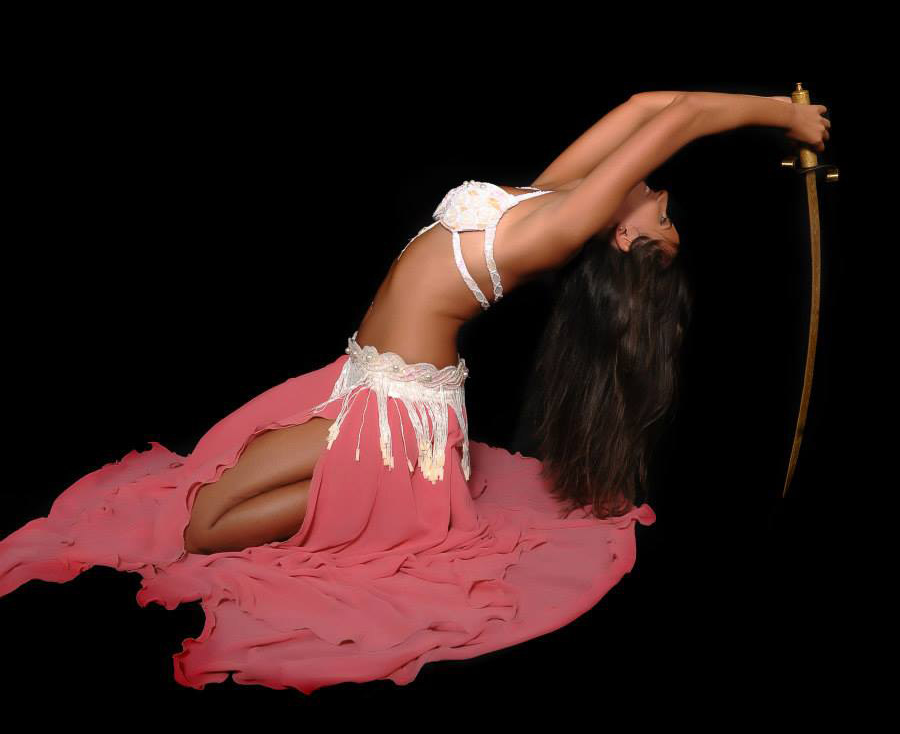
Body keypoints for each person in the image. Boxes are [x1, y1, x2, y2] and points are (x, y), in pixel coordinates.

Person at [0, 90, 830, 695]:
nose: (668, 208)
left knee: (202, 526)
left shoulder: (559, 226)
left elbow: (679, 122)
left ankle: (369, 498)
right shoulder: (552, 193)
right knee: (208, 493)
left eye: (665, 226)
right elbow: (654, 104)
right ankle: (347, 497)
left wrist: (783, 119)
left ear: (619, 235)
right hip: (360, 385)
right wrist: (778, 110)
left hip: (398, 422)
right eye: (672, 218)